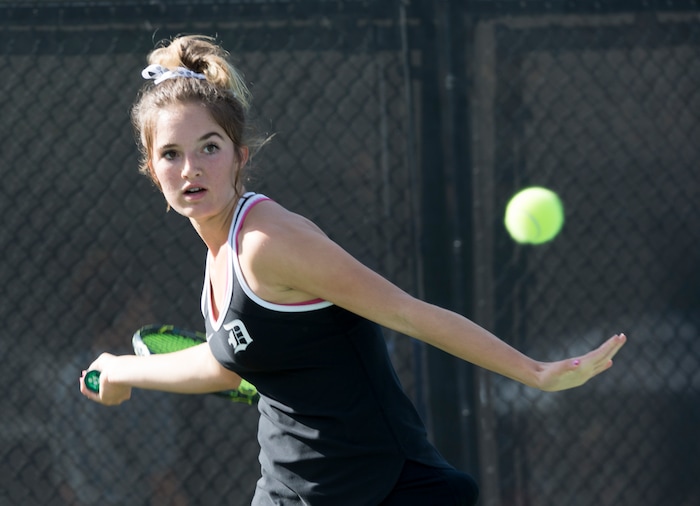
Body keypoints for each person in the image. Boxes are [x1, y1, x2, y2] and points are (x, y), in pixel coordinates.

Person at [80, 35, 626, 505]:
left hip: (387, 489)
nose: (192, 167)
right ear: (152, 170)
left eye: (209, 147)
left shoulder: (270, 243)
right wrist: (123, 369)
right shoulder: (216, 259)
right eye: (172, 154)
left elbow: (407, 314)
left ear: (240, 155)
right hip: (291, 490)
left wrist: (537, 374)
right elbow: (227, 366)